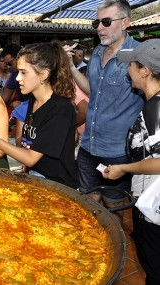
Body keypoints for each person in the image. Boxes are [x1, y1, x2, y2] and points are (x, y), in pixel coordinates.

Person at [0, 41, 78, 188]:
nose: (17, 78)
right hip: (38, 180)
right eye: (18, 72)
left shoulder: (59, 108)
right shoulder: (33, 102)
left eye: (24, 72)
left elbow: (30, 158)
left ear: (43, 74)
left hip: (59, 188)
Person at [64, 0, 145, 224]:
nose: (99, 27)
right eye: (97, 22)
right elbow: (92, 90)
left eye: (106, 22)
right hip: (89, 145)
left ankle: (117, 250)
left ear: (126, 22)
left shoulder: (137, 56)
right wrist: (71, 67)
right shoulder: (98, 52)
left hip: (117, 151)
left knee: (114, 206)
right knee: (88, 201)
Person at [102, 39, 160, 285]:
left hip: (153, 208)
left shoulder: (155, 108)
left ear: (144, 71)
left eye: (131, 66)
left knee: (154, 266)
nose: (127, 70)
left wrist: (123, 168)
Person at [0, 43, 29, 108]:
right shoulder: (14, 73)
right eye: (6, 64)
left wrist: (22, 104)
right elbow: (5, 96)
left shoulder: (31, 73)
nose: (8, 67)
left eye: (10, 63)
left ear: (19, 57)